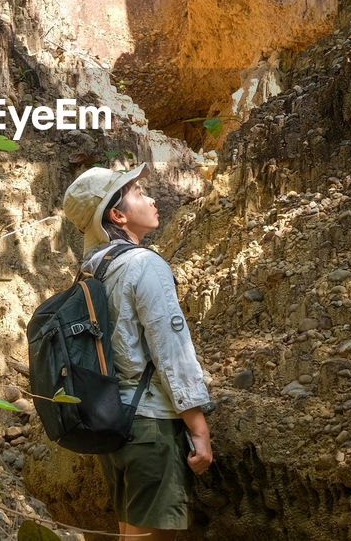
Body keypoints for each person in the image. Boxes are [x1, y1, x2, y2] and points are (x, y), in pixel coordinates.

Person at [62, 163, 213, 540]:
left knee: (132, 536)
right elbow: (170, 348)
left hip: (114, 423)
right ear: (118, 214)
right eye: (139, 193)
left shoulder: (93, 272)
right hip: (151, 427)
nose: (152, 198)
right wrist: (198, 426)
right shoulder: (145, 265)